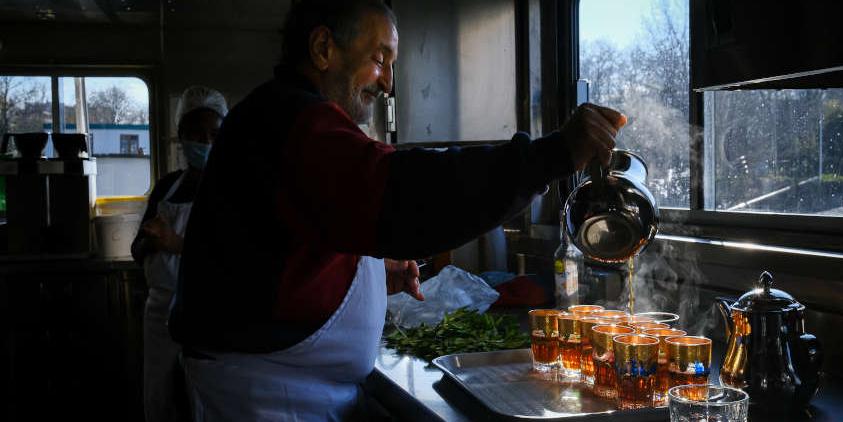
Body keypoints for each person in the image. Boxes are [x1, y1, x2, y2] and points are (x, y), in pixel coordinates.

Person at [170, 1, 626, 420]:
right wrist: (552, 156)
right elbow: (404, 192)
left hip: (289, 385)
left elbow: (297, 240)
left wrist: (359, 273)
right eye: (379, 59)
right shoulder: (294, 122)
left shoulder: (282, 118)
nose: (388, 81)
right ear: (323, 47)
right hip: (268, 397)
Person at [131, 86, 228, 422]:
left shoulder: (230, 191)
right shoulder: (166, 186)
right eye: (195, 134)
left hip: (211, 313)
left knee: (204, 403)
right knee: (162, 401)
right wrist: (150, 241)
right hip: (160, 315)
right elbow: (136, 250)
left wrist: (175, 244)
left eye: (214, 134)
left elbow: (234, 257)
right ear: (181, 136)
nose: (204, 142)